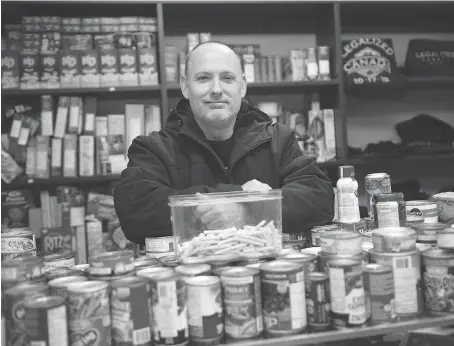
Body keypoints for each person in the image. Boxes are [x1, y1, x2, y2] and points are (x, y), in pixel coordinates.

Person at [114, 41, 334, 245]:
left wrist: (246, 212)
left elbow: (319, 196)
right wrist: (241, 199)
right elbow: (136, 212)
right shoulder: (153, 149)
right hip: (187, 279)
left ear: (243, 86)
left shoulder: (278, 139)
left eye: (227, 78)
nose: (217, 89)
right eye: (203, 78)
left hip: (264, 272)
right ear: (185, 87)